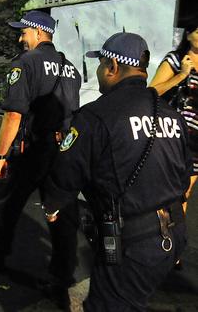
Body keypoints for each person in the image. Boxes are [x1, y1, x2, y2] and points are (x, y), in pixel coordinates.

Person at [43, 32, 189, 311]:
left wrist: (53, 206)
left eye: (100, 64)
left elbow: (64, 177)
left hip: (132, 245)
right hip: (173, 236)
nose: (98, 71)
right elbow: (183, 179)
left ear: (112, 67)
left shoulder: (95, 116)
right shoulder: (171, 115)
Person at [0, 10, 82, 306]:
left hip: (33, 149)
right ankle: (61, 274)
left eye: (23, 32)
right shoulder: (71, 68)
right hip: (63, 151)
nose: (21, 38)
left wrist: (1, 155)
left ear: (37, 32)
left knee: (7, 201)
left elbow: (13, 114)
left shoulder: (26, 63)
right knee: (61, 212)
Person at [150, 22, 198, 213]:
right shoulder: (176, 60)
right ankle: (158, 237)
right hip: (174, 137)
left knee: (184, 194)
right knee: (164, 193)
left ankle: (177, 238)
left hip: (196, 144)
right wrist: (181, 76)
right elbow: (151, 91)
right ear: (188, 35)